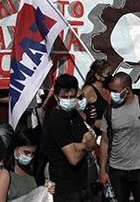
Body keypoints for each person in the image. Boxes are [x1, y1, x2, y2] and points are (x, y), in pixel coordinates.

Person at [99, 72, 140, 202]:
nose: (112, 94)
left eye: (115, 91)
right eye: (110, 91)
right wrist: (103, 171)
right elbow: (105, 142)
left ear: (127, 89)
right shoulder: (109, 111)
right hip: (117, 171)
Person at [44, 74, 98, 202]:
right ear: (56, 98)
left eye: (72, 97)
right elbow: (73, 158)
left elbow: (93, 142)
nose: (69, 100)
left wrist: (78, 146)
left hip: (83, 186)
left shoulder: (74, 115)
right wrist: (85, 145)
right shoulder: (56, 122)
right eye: (65, 97)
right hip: (66, 191)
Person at [0, 130, 50, 202]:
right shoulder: (2, 174)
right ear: (15, 147)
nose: (30, 157)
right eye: (26, 152)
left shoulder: (27, 169)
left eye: (33, 154)